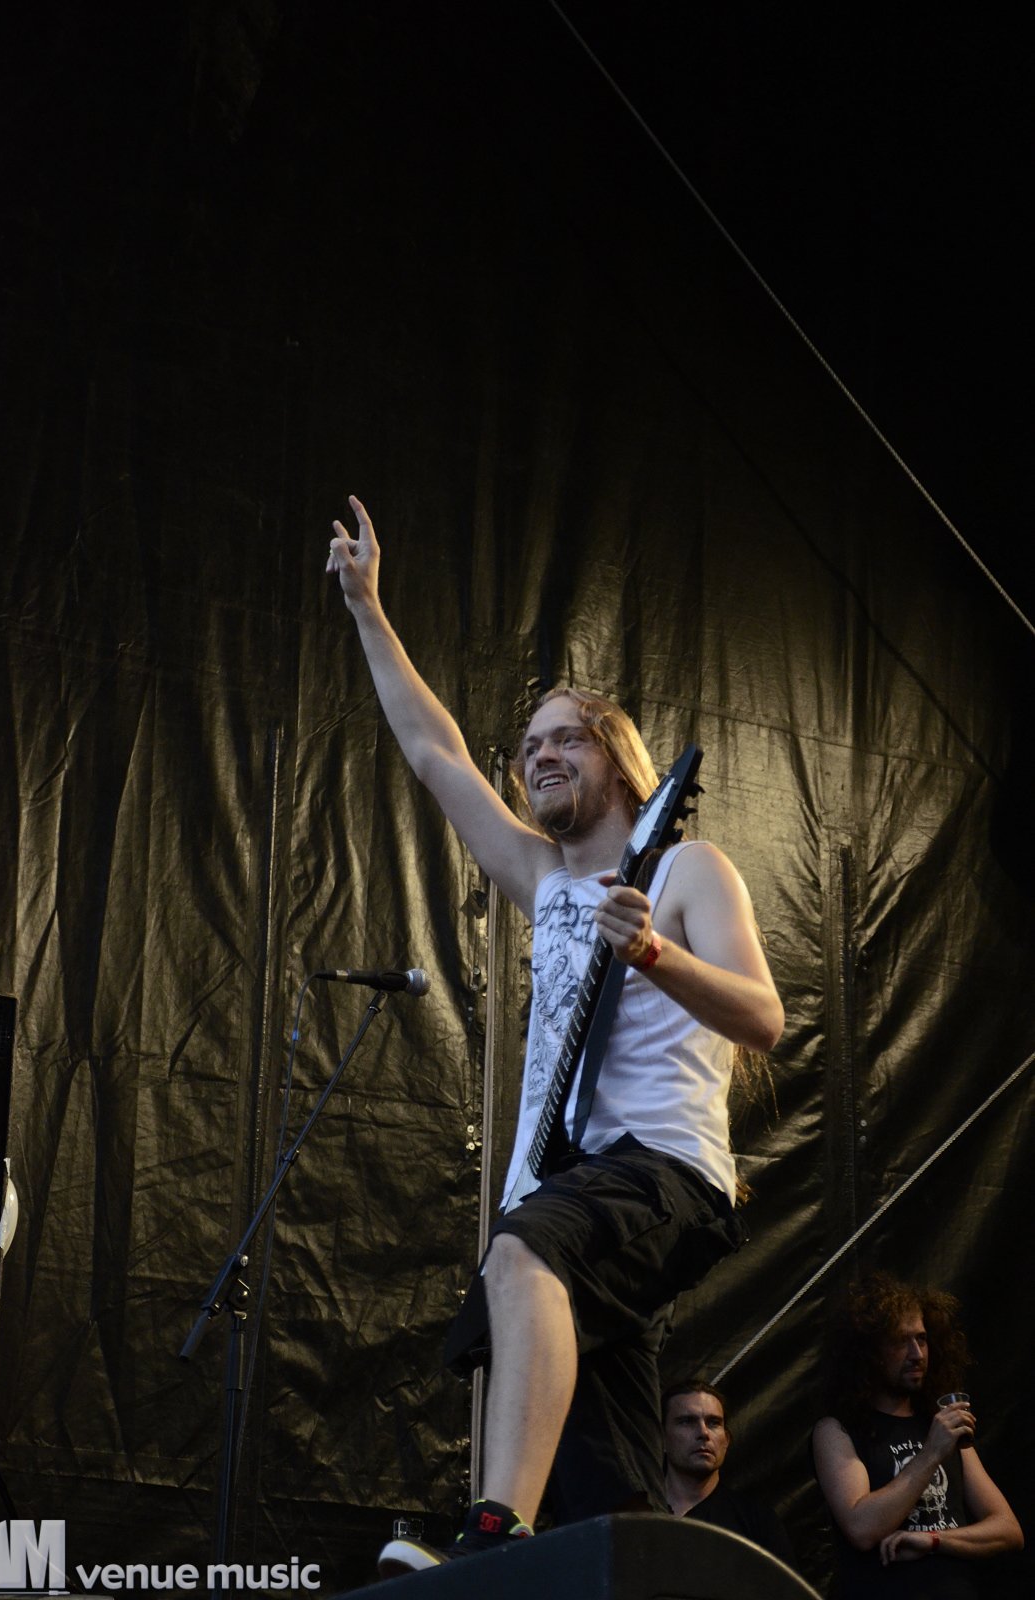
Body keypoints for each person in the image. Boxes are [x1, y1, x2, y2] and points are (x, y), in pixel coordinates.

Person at [326, 496, 784, 1573]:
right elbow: (433, 752)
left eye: (562, 738)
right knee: (600, 1486)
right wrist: (366, 606)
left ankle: (489, 1534)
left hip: (662, 1170)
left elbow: (763, 1018)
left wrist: (655, 953)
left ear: (617, 760)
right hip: (573, 1185)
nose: (538, 756)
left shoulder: (686, 870)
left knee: (524, 1247)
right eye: (528, 745)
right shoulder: (544, 880)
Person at [812, 1271, 1023, 1598]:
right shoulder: (837, 1430)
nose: (917, 1354)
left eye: (922, 1339)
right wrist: (931, 1453)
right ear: (869, 1351)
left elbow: (1008, 1530)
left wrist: (934, 1541)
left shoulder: (938, 1424)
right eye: (901, 1341)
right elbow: (862, 1528)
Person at [662, 1379, 796, 1567]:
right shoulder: (637, 1511)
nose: (703, 1433)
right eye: (687, 1421)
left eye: (714, 1423)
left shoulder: (757, 1522)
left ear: (726, 1441)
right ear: (662, 1438)